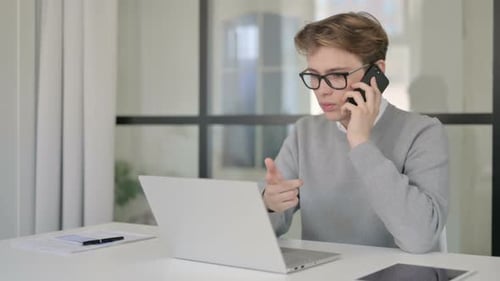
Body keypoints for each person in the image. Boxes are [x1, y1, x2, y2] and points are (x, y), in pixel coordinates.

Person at [260, 11, 449, 254]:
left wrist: (360, 144)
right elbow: (262, 230)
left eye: (336, 75)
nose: (321, 91)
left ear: (376, 73)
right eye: (314, 76)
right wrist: (269, 205)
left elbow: (420, 239)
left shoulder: (423, 133)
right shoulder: (305, 132)